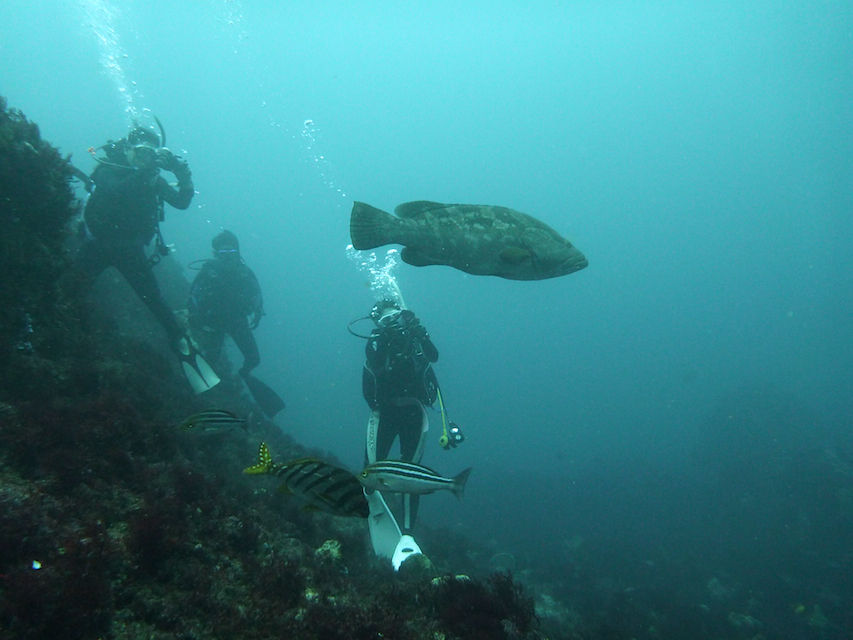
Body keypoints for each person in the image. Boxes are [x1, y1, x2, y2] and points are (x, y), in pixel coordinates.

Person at [75, 124, 218, 392]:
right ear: (128, 149)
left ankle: (184, 348)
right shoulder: (108, 168)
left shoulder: (152, 178)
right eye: (140, 152)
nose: (144, 158)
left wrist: (182, 173)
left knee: (156, 304)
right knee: (72, 289)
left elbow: (182, 202)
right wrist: (146, 171)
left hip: (131, 251)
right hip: (99, 244)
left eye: (150, 154)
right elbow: (116, 190)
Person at [361, 299, 441, 533]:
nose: (392, 324)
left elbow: (434, 356)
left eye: (395, 317)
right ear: (379, 323)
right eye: (386, 320)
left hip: (414, 413)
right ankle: (370, 506)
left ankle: (407, 533)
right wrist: (384, 341)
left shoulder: (415, 339)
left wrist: (421, 335)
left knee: (411, 473)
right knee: (370, 468)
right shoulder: (377, 343)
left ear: (403, 316)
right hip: (384, 413)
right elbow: (374, 369)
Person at [187, 231, 284, 417]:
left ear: (237, 252)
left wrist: (257, 312)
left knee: (253, 359)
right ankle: (200, 394)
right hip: (213, 323)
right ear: (216, 254)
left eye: (231, 252)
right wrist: (194, 315)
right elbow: (194, 294)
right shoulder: (208, 271)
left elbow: (257, 295)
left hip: (237, 322)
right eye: (222, 253)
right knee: (211, 359)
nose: (227, 257)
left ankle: (243, 375)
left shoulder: (245, 273)